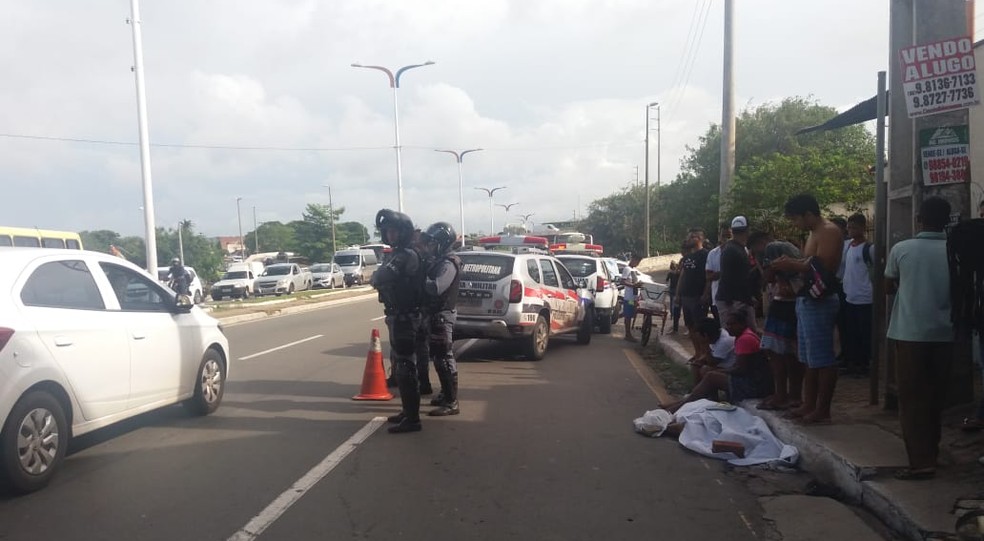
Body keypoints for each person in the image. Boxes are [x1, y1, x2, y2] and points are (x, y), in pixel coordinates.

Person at [884, 196, 954, 480]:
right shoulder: (954, 250)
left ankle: (920, 461)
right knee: (935, 397)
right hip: (946, 333)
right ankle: (932, 453)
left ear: (919, 220)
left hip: (910, 333)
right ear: (947, 221)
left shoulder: (903, 249)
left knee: (912, 399)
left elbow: (888, 286)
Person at [772, 194, 844, 425]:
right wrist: (791, 264)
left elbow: (824, 266)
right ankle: (809, 403)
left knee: (822, 357)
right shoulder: (813, 233)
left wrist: (791, 264)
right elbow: (808, 264)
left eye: (795, 219)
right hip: (807, 298)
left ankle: (822, 408)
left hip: (821, 300)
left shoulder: (830, 231)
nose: (795, 224)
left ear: (808, 214)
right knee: (808, 356)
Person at [372, 209, 427, 434]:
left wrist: (378, 276)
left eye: (394, 231)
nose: (390, 235)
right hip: (398, 314)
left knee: (405, 365)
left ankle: (413, 419)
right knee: (402, 364)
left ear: (403, 232)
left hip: (407, 316)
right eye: (387, 232)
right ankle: (408, 411)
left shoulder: (406, 255)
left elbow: (380, 277)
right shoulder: (397, 254)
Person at [663, 312, 771, 413]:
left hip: (755, 385)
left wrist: (719, 371)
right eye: (727, 324)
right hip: (752, 380)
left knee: (711, 375)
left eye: (732, 324)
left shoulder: (745, 339)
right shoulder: (742, 337)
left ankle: (681, 406)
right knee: (708, 372)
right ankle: (690, 403)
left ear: (742, 324)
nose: (728, 328)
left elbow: (740, 369)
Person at [418, 222, 463, 417]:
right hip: (435, 315)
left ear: (442, 243)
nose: (429, 246)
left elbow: (437, 287)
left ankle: (451, 401)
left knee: (444, 358)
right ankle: (446, 394)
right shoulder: (439, 260)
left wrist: (418, 280)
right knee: (438, 357)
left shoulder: (448, 263)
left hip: (442, 316)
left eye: (433, 242)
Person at [755, 236, 805, 411]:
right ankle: (795, 395)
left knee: (775, 354)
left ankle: (781, 394)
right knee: (793, 355)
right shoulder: (796, 260)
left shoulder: (772, 251)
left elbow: (768, 277)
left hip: (782, 307)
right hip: (796, 307)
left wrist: (767, 268)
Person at [840, 213, 874, 376]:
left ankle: (866, 364)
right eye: (849, 227)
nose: (851, 230)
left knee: (865, 334)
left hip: (865, 298)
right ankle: (855, 362)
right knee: (851, 333)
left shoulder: (869, 248)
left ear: (862, 228)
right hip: (850, 296)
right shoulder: (847, 246)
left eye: (854, 227)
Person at [716, 216, 757, 333]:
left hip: (735, 298)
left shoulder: (736, 248)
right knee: (734, 333)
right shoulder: (732, 250)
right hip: (732, 300)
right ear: (747, 230)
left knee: (744, 333)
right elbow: (728, 278)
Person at [675, 229, 709, 360]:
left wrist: (706, 293)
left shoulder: (705, 255)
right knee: (690, 326)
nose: (689, 239)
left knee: (700, 327)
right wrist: (678, 294)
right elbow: (682, 277)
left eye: (691, 237)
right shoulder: (687, 257)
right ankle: (697, 352)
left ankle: (705, 353)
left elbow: (709, 276)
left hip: (697, 296)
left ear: (699, 238)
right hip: (685, 296)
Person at [687, 316, 736, 385]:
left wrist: (705, 344)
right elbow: (711, 353)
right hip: (722, 365)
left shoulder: (724, 341)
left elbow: (712, 362)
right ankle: (698, 392)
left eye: (699, 336)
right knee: (696, 365)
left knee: (705, 370)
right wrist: (700, 360)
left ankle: (707, 394)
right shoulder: (714, 335)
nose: (697, 338)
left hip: (730, 369)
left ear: (705, 335)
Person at [703, 222, 732, 325]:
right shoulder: (713, 254)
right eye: (724, 236)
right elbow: (708, 276)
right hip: (718, 299)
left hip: (736, 299)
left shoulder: (742, 251)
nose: (726, 239)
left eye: (729, 236)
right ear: (719, 236)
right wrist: (727, 272)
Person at [621, 254, 643, 342]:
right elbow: (622, 281)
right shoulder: (627, 269)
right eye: (637, 262)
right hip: (629, 298)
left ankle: (628, 333)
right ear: (633, 260)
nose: (637, 264)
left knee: (631, 313)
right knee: (628, 315)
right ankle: (627, 334)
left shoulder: (633, 270)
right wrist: (634, 285)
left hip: (633, 297)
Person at [666, 249, 684, 334]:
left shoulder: (671, 273)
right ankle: (675, 323)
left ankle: (673, 317)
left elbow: (666, 280)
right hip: (677, 290)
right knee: (676, 306)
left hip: (674, 290)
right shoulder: (678, 273)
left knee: (673, 304)